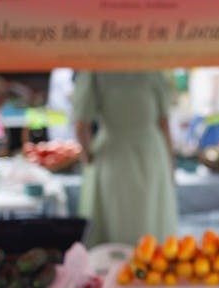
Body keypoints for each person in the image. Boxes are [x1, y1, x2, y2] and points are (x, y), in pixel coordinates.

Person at [73, 71, 177, 247]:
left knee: (114, 220)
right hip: (151, 153)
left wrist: (87, 157)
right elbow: (164, 122)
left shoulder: (94, 70)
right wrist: (170, 165)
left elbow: (81, 125)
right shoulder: (153, 68)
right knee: (151, 216)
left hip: (112, 153)